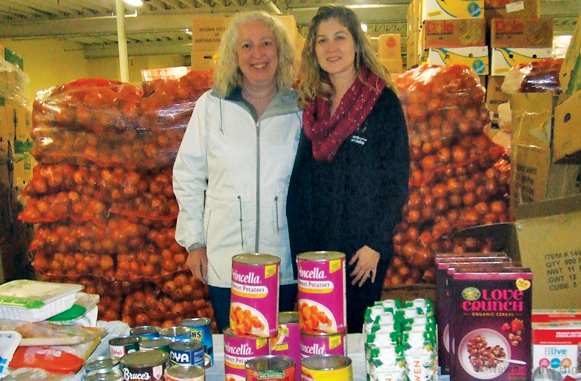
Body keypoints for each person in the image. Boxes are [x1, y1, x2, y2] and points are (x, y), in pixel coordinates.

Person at [173, 11, 301, 332]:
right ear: (234, 55)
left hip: (284, 259)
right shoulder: (212, 106)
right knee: (237, 349)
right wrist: (194, 242)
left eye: (266, 44)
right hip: (227, 260)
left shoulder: (300, 108)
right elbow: (188, 174)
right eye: (246, 45)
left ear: (280, 51)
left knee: (279, 352)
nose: (257, 54)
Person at [286, 5, 410, 333]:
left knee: (354, 335)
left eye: (339, 37)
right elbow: (300, 185)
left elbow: (396, 179)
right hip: (317, 250)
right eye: (322, 40)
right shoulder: (314, 106)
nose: (331, 48)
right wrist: (301, 255)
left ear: (356, 43)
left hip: (362, 254)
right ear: (313, 51)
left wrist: (376, 244)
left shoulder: (382, 103)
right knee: (318, 336)